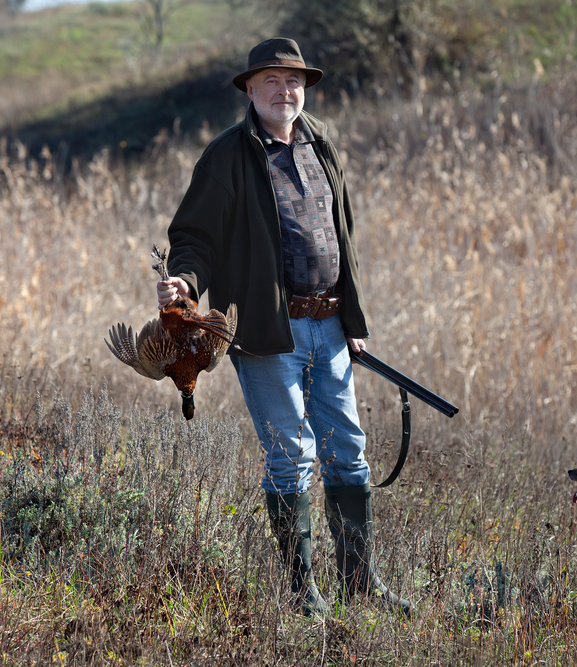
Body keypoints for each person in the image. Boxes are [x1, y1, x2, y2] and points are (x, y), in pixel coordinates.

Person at [156, 37, 410, 617]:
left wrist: (354, 317)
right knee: (290, 457)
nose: (284, 90)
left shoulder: (323, 145)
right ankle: (302, 594)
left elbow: (342, 238)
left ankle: (359, 583)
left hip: (331, 326)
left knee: (349, 453)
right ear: (249, 88)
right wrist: (185, 284)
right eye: (270, 80)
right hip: (267, 333)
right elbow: (194, 237)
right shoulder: (227, 156)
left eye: (293, 80)